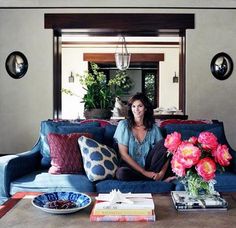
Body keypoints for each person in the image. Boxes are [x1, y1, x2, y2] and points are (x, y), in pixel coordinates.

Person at [113, 92, 175, 182]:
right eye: (133, 106)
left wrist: (161, 173)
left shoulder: (153, 128)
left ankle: (156, 178)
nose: (136, 109)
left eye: (140, 106)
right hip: (130, 167)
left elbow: (166, 153)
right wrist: (144, 172)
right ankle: (151, 179)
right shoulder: (124, 125)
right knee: (121, 173)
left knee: (165, 143)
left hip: (149, 167)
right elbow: (123, 155)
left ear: (145, 108)